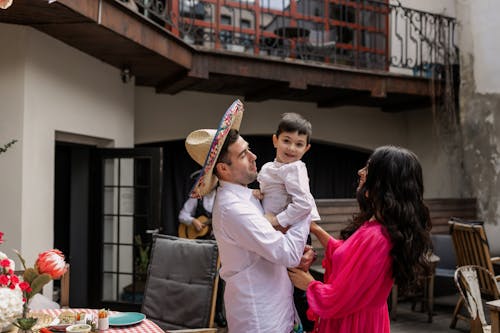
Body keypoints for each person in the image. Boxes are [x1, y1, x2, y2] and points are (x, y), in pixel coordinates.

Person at [185, 99, 315, 332]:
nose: (254, 156)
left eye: (249, 148)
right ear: (223, 169)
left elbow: (279, 246)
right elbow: (286, 252)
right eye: (244, 154)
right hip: (261, 318)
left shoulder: (248, 196)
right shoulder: (233, 209)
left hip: (277, 309)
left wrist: (301, 247)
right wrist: (304, 210)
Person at [288, 145, 432, 333]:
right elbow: (349, 255)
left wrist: (307, 283)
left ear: (383, 181)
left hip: (355, 324)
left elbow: (339, 298)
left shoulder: (377, 237)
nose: (360, 172)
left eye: (368, 168)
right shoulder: (379, 225)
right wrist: (314, 229)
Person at [256, 112, 320, 331]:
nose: (292, 148)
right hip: (279, 232)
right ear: (275, 140)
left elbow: (303, 204)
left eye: (299, 144)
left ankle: (313, 326)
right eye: (287, 141)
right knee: (281, 284)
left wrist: (277, 220)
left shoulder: (295, 168)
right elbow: (272, 193)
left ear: (306, 149)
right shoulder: (268, 167)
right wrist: (259, 195)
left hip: (293, 231)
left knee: (296, 283)